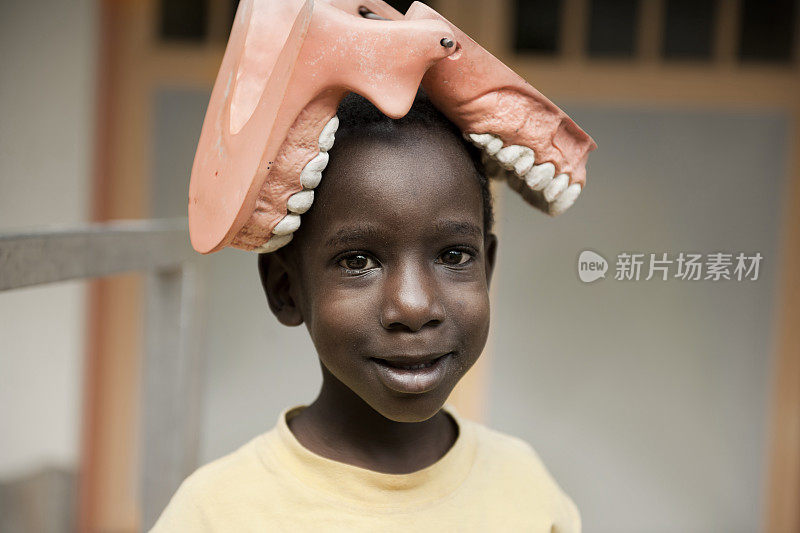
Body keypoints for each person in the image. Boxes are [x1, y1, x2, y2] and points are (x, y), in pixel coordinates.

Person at [152, 90, 581, 531]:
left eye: (454, 256)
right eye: (358, 262)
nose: (414, 307)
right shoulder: (217, 513)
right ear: (286, 289)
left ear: (487, 268)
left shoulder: (527, 489)